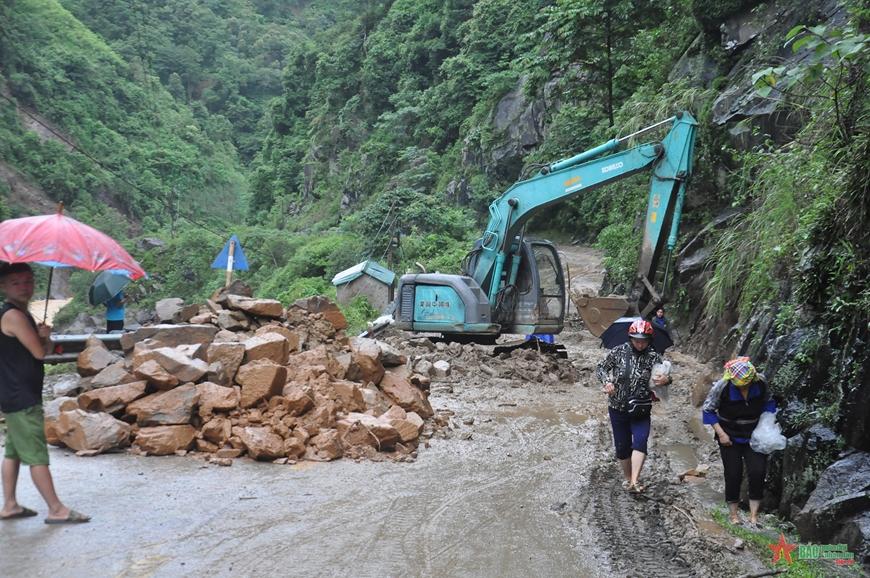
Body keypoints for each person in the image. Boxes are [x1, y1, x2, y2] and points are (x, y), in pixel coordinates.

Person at [0, 263, 89, 524]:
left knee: (14, 452)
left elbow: (44, 349)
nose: (24, 286)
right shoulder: (13, 316)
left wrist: (46, 336)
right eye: (16, 282)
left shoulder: (21, 314)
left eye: (28, 281)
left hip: (16, 394)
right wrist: (42, 342)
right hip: (21, 397)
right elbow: (39, 354)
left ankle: (10, 505)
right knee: (37, 455)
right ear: (3, 286)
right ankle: (56, 509)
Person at [596, 319, 672, 493]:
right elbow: (600, 368)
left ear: (650, 340)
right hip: (617, 407)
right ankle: (628, 478)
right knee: (622, 447)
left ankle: (636, 480)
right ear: (630, 338)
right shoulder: (618, 352)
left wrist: (667, 380)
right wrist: (607, 382)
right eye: (636, 340)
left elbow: (665, 376)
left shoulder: (653, 356)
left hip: (641, 408)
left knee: (640, 441)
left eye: (643, 341)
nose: (639, 344)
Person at [702, 356, 775, 527]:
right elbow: (708, 410)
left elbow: (769, 402)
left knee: (758, 472)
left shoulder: (761, 382)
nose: (744, 387)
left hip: (755, 434)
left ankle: (754, 515)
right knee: (733, 473)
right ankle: (734, 514)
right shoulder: (722, 387)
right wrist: (721, 434)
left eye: (747, 384)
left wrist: (768, 425)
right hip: (729, 434)